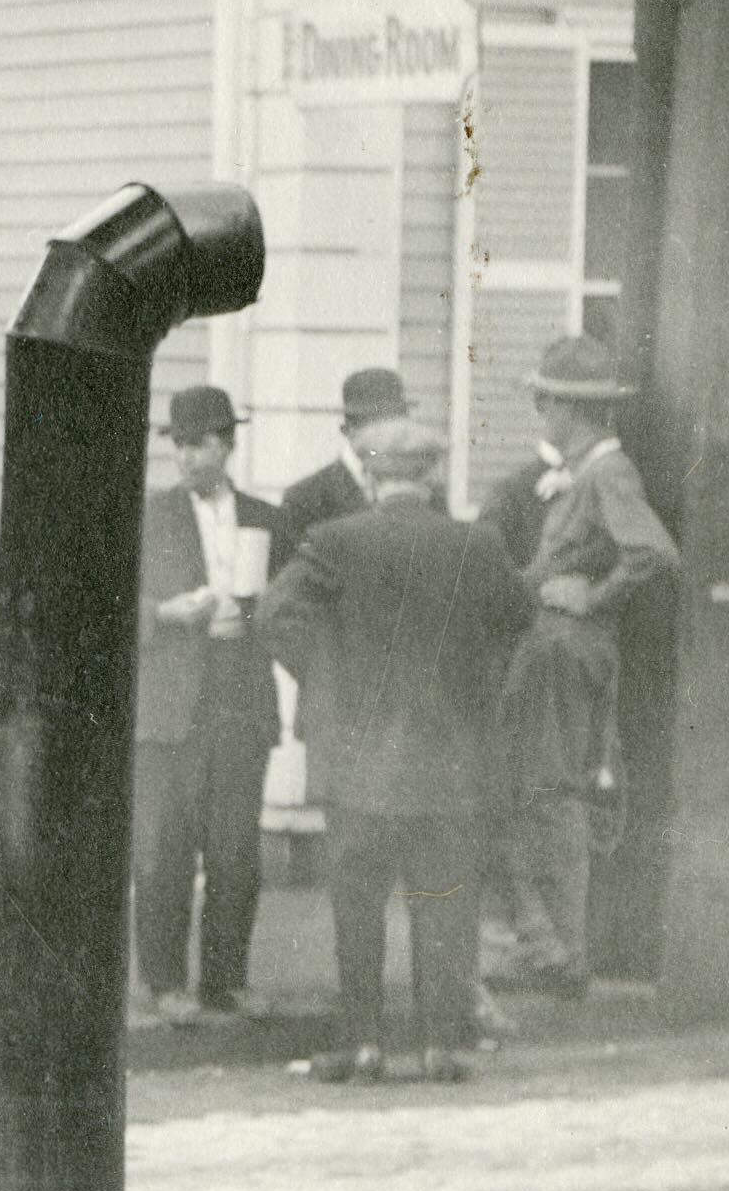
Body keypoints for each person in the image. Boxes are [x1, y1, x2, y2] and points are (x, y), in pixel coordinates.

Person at [261, 417, 531, 1082]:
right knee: (442, 901)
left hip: (359, 759)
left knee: (356, 905)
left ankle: (364, 1045)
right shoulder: (477, 543)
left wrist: (328, 681)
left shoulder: (333, 540)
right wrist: (471, 688)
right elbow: (518, 619)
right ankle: (441, 1043)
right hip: (447, 758)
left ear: (373, 475)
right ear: (431, 474)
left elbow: (272, 614)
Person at [489, 335, 679, 998]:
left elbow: (653, 552)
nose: (540, 411)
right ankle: (548, 943)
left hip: (567, 647)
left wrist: (593, 597)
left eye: (546, 401)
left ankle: (560, 950)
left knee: (549, 794)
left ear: (571, 407)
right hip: (551, 645)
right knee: (537, 791)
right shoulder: (586, 470)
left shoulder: (606, 471)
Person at [131, 385, 288, 1020]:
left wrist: (264, 612)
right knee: (165, 849)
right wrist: (164, 613)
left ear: (228, 444)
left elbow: (290, 602)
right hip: (171, 702)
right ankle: (166, 981)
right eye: (178, 443)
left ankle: (227, 980)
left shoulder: (265, 516)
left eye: (201, 443)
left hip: (240, 694)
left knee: (235, 853)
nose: (188, 457)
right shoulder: (147, 514)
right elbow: (103, 598)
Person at [272, 366, 409, 569]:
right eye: (378, 425)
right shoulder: (305, 499)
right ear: (348, 430)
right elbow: (288, 589)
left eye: (397, 425)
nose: (392, 437)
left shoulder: (425, 493)